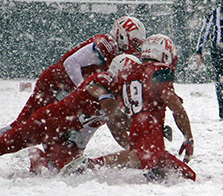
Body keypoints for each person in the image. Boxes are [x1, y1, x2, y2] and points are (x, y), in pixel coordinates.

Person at [63, 34, 196, 181]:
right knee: (140, 158)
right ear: (164, 54)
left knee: (188, 176)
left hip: (135, 129)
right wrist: (188, 138)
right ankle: (90, 164)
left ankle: (152, 171)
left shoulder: (133, 72)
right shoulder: (159, 71)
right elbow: (176, 108)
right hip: (149, 129)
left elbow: (126, 106)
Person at [0, 16, 146, 136]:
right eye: (133, 42)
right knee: (22, 125)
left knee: (49, 130)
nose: (134, 47)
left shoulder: (115, 51)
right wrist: (82, 89)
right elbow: (71, 63)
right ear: (121, 35)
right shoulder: (106, 44)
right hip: (54, 83)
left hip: (65, 89)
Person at [0, 54, 142, 173]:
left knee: (72, 170)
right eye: (133, 76)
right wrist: (142, 127)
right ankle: (41, 159)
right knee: (5, 144)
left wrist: (134, 149)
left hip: (65, 138)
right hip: (47, 122)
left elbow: (117, 129)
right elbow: (112, 111)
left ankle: (40, 160)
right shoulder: (104, 79)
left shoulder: (118, 97)